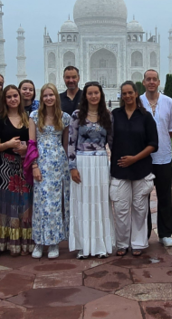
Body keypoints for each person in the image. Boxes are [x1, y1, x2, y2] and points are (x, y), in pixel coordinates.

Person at [110, 81, 158, 257]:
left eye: (130, 93)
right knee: (121, 209)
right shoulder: (116, 114)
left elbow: (154, 144)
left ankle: (138, 243)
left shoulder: (145, 117)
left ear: (136, 94)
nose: (128, 96)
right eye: (124, 93)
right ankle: (122, 243)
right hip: (120, 169)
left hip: (141, 168)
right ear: (121, 96)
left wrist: (135, 159)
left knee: (140, 209)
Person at [68, 81, 114, 259]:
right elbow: (71, 142)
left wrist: (114, 164)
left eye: (96, 93)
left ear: (101, 95)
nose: (93, 96)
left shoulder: (107, 116)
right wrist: (72, 167)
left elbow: (111, 142)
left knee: (101, 203)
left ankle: (101, 244)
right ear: (85, 96)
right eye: (90, 93)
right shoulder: (77, 115)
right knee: (83, 203)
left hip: (100, 163)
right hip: (82, 163)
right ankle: (83, 245)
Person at [0, 85, 35, 256]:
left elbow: (33, 143)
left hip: (23, 165)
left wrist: (25, 150)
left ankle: (24, 242)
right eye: (9, 97)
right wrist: (8, 145)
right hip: (4, 167)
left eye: (15, 96)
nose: (13, 99)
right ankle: (7, 242)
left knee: (24, 203)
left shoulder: (28, 118)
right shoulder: (0, 121)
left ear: (20, 98)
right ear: (4, 100)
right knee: (6, 203)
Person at [28, 83, 71, 259]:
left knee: (55, 204)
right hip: (41, 163)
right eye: (45, 96)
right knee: (40, 204)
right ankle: (39, 242)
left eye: (51, 95)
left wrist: (69, 165)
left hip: (59, 164)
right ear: (41, 98)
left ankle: (54, 242)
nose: (48, 98)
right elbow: (31, 144)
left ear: (56, 97)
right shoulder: (34, 117)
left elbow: (66, 144)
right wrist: (34, 166)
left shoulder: (65, 117)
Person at [139, 69, 172, 247]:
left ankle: (165, 233)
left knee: (164, 196)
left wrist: (159, 143)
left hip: (163, 157)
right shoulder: (138, 101)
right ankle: (143, 234)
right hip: (144, 158)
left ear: (159, 81)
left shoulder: (168, 102)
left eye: (154, 79)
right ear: (143, 82)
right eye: (148, 79)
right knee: (142, 198)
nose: (151, 82)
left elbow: (171, 130)